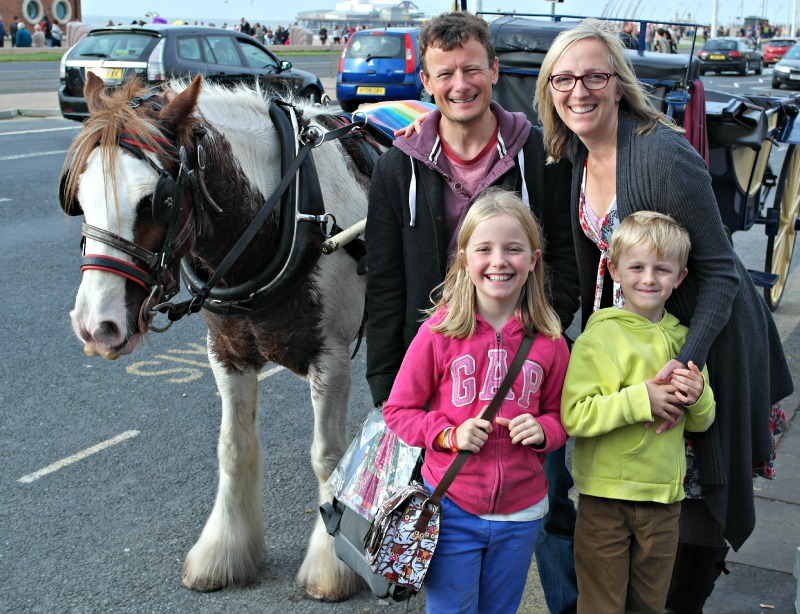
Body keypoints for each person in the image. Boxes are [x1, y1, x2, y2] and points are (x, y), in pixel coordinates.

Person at [533, 18, 793, 612]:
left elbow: (723, 271)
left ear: (618, 82)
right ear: (550, 89)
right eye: (564, 79)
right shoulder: (577, 153)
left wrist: (682, 366)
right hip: (644, 344)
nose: (580, 91)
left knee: (693, 514)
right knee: (649, 496)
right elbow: (592, 268)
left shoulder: (660, 152)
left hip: (708, 343)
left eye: (594, 76)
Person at [366, 11, 580, 613]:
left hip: (524, 363)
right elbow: (384, 281)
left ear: (492, 71)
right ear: (427, 83)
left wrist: (540, 327)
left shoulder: (538, 153)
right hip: (437, 372)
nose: (460, 84)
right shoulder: (397, 165)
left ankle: (565, 604)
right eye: (444, 73)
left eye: (471, 69)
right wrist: (386, 384)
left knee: (549, 504)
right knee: (443, 515)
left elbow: (562, 255)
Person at [382, 189, 570, 614]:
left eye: (513, 249)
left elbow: (562, 417)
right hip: (451, 509)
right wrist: (448, 434)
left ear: (534, 260)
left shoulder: (551, 341)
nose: (499, 261)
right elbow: (398, 411)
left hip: (521, 517)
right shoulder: (439, 333)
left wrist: (545, 431)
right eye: (484, 249)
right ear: (465, 258)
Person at [561, 211, 716, 613]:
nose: (649, 278)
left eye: (662, 269)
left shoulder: (684, 339)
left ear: (679, 277)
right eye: (637, 267)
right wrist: (640, 400)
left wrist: (698, 394)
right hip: (604, 499)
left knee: (649, 604)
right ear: (614, 269)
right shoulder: (600, 335)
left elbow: (701, 420)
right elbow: (575, 415)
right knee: (601, 605)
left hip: (664, 502)